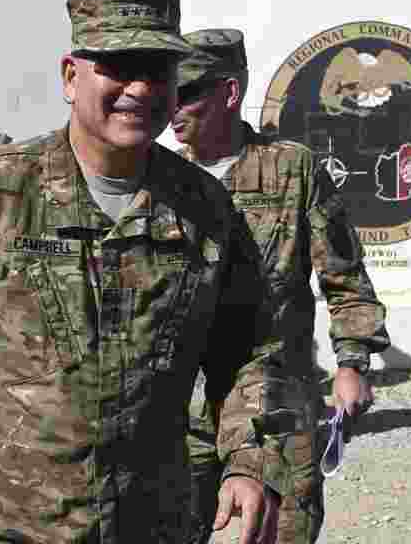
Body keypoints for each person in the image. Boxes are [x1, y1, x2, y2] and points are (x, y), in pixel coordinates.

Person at [0, 0, 277, 543]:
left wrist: (248, 460)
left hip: (149, 522)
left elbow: (250, 345)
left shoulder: (205, 207)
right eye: (118, 67)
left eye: (158, 70)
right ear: (70, 76)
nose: (139, 88)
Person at [171, 28, 391, 543]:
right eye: (169, 92)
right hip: (179, 407)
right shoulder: (161, 179)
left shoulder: (293, 169)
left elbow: (345, 275)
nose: (171, 107)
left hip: (276, 400)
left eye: (188, 93)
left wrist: (352, 363)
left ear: (228, 92)